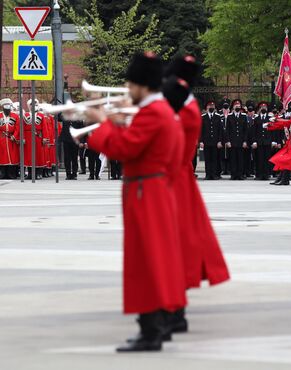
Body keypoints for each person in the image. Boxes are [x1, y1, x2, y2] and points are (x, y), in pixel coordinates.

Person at [84, 52, 187, 352]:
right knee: (154, 258)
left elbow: (124, 149)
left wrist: (102, 123)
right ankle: (156, 323)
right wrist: (116, 122)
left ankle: (151, 329)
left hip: (146, 192)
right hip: (150, 189)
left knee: (146, 260)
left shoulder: (154, 113)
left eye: (131, 83)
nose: (128, 88)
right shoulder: (159, 111)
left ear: (143, 84)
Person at [163, 55, 230, 329]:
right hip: (178, 180)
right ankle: (173, 307)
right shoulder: (184, 104)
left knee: (171, 247)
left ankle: (173, 310)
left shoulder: (182, 108)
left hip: (174, 182)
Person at [225, 99, 249, 180]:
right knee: (233, 159)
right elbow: (227, 130)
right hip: (232, 141)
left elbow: (246, 130)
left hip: (241, 141)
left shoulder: (243, 116)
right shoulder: (229, 116)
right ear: (233, 107)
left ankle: (240, 174)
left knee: (241, 159)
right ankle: (233, 174)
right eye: (236, 106)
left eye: (239, 106)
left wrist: (245, 141)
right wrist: (227, 141)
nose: (238, 107)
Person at [200, 101, 223, 180]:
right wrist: (201, 141)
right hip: (206, 141)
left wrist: (219, 141)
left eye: (212, 106)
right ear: (207, 108)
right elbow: (201, 130)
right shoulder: (203, 117)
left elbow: (220, 130)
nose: (211, 108)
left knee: (214, 159)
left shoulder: (217, 116)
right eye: (210, 106)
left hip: (215, 141)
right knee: (207, 159)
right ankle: (208, 174)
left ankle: (213, 174)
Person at [251, 102, 273, 180]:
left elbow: (272, 131)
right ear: (260, 109)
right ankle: (259, 174)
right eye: (262, 108)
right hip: (259, 142)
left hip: (267, 141)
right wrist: (254, 141)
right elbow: (254, 131)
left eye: (265, 108)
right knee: (259, 159)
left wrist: (273, 141)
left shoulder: (270, 119)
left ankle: (266, 174)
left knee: (267, 159)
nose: (263, 109)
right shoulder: (256, 119)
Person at [0, 99, 20, 179]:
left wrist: (14, 136)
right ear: (2, 107)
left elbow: (18, 127)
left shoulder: (15, 116)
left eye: (9, 107)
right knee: (2, 157)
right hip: (2, 138)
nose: (7, 109)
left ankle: (11, 174)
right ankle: (3, 174)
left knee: (13, 157)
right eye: (6, 107)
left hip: (12, 139)